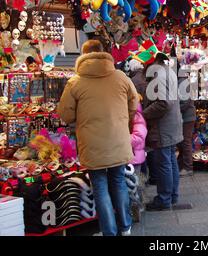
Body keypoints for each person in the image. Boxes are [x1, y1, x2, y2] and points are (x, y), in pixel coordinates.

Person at [57, 40, 139, 236]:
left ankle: (109, 232)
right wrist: (123, 122)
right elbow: (134, 103)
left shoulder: (75, 82)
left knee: (100, 187)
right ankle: (125, 227)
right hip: (118, 140)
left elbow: (65, 114)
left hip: (92, 144)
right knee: (118, 182)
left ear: (82, 56)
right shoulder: (121, 77)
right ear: (103, 53)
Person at [140, 50, 183, 211]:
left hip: (162, 125)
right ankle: (172, 196)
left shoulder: (157, 74)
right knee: (170, 160)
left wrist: (142, 115)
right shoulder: (166, 71)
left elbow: (162, 103)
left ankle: (164, 198)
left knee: (164, 162)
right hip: (170, 124)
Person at [177, 71, 196, 177]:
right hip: (186, 116)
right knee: (182, 141)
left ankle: (188, 167)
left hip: (187, 117)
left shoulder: (183, 82)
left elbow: (185, 102)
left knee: (185, 141)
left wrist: (175, 110)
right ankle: (182, 164)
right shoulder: (182, 81)